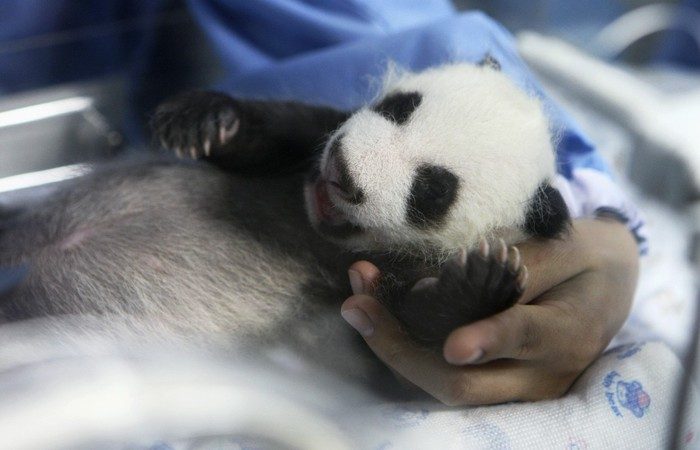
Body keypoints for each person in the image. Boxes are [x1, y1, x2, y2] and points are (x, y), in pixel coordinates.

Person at [192, 0, 645, 404]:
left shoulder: (432, 260)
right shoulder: (400, 96)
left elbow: (418, 324)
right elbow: (281, 119)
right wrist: (232, 124)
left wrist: (468, 300)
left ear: (517, 224)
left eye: (430, 189)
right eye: (397, 111)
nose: (355, 161)